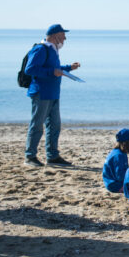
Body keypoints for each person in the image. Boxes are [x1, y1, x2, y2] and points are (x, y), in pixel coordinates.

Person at [24, 24, 81, 167]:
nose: (65, 38)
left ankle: (52, 156)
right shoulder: (40, 49)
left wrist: (69, 68)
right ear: (55, 35)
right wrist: (51, 73)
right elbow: (30, 69)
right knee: (37, 125)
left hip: (53, 93)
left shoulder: (52, 50)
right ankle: (30, 156)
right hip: (41, 93)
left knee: (55, 126)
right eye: (63, 35)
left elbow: (54, 69)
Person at [102, 129, 129, 193]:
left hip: (111, 182)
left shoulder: (118, 152)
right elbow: (120, 176)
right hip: (115, 185)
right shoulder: (119, 155)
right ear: (127, 143)